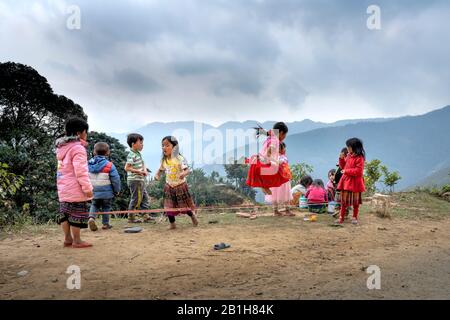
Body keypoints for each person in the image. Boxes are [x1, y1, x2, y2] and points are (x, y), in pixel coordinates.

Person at [56, 117, 93, 248]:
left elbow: (61, 170)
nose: (86, 135)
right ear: (79, 133)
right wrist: (87, 188)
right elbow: (81, 171)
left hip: (63, 187)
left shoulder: (61, 148)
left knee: (65, 214)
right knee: (76, 214)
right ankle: (77, 240)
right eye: (85, 132)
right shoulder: (78, 149)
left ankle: (67, 239)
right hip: (75, 188)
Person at [155, 136, 198, 230]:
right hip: (169, 186)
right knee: (168, 207)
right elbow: (160, 169)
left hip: (180, 186)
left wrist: (183, 173)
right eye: (162, 146)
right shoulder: (164, 160)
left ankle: (192, 216)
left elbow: (187, 170)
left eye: (167, 145)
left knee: (184, 206)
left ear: (174, 147)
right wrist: (157, 175)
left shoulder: (180, 158)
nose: (164, 148)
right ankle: (172, 224)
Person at [246, 122, 290, 195]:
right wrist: (276, 162)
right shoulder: (275, 141)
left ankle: (264, 185)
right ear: (282, 133)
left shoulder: (270, 138)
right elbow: (268, 154)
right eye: (285, 135)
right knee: (282, 173)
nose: (284, 137)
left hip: (257, 164)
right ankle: (264, 186)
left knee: (278, 172)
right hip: (263, 164)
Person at [87, 142, 121, 231]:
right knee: (106, 207)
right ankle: (105, 224)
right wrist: (117, 190)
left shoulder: (88, 164)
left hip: (93, 191)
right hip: (107, 192)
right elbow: (115, 179)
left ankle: (91, 218)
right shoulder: (109, 165)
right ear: (107, 153)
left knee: (94, 205)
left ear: (94, 152)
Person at [336, 138, 366, 225]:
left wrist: (346, 171)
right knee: (344, 201)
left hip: (355, 182)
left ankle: (354, 217)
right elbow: (343, 167)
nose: (347, 149)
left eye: (349, 147)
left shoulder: (360, 158)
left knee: (355, 202)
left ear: (355, 147)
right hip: (346, 182)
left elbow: (358, 171)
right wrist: (341, 159)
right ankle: (341, 217)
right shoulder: (349, 155)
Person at [124, 133, 152, 223]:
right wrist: (140, 172)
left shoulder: (138, 154)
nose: (142, 145)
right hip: (135, 180)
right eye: (140, 142)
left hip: (139, 179)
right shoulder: (131, 155)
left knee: (145, 197)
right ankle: (131, 217)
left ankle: (145, 216)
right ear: (133, 144)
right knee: (136, 198)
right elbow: (127, 168)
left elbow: (143, 163)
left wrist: (144, 170)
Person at [266, 142, 294, 216]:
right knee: (285, 194)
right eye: (284, 148)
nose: (285, 149)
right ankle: (286, 211)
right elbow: (280, 163)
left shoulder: (277, 157)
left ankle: (276, 211)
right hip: (282, 179)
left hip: (277, 178)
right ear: (279, 149)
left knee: (276, 195)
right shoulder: (281, 157)